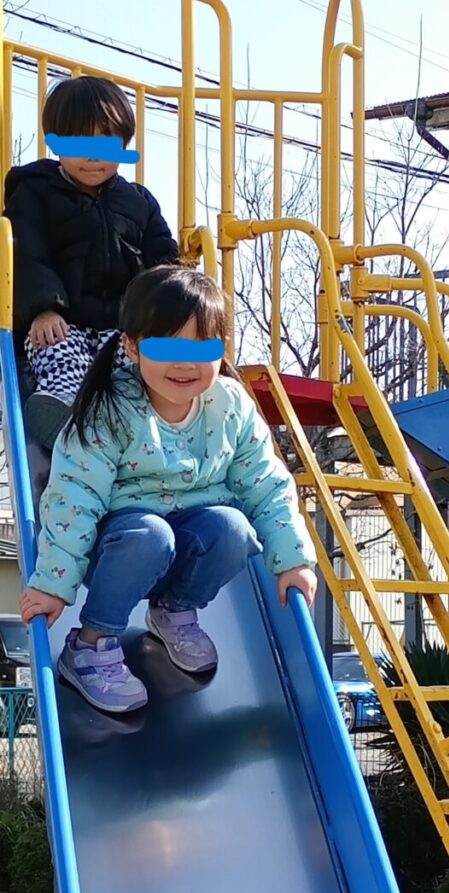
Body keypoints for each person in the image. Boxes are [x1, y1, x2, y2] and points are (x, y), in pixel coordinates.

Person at [19, 266, 318, 714]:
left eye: (202, 347)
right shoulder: (111, 409)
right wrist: (53, 585)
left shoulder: (230, 406)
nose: (185, 363)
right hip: (117, 548)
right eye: (166, 347)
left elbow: (267, 484)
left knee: (233, 527)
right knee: (150, 534)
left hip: (184, 544)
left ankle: (173, 610)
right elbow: (75, 496)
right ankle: (90, 644)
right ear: (132, 347)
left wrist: (292, 560)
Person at [3, 75, 178, 449]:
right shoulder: (34, 192)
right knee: (57, 353)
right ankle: (64, 410)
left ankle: (129, 423)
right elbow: (28, 253)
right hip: (61, 322)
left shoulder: (139, 203)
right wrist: (43, 309)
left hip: (120, 328)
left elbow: (163, 262)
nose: (93, 154)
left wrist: (170, 314)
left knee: (135, 368)